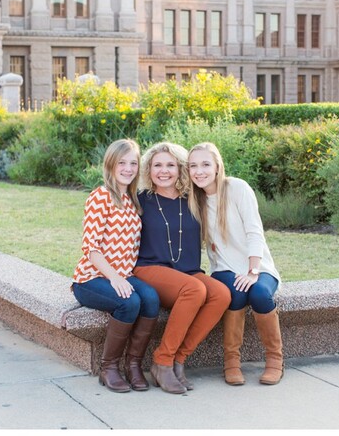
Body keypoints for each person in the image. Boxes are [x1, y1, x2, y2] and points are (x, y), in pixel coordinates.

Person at [133, 142, 230, 394]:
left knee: (221, 294)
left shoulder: (193, 200)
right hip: (149, 267)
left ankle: (178, 359)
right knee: (194, 290)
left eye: (170, 165)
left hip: (188, 270)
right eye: (157, 165)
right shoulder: (140, 200)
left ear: (180, 169)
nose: (164, 171)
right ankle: (162, 361)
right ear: (148, 169)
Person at [187, 142, 284, 386]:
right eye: (193, 166)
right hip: (224, 269)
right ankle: (231, 362)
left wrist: (253, 272)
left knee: (260, 294)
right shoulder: (194, 200)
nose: (199, 171)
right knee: (237, 294)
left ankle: (275, 360)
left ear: (217, 166)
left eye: (206, 164)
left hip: (258, 266)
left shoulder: (237, 188)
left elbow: (254, 232)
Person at [71, 139, 160, 393]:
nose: (128, 168)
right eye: (122, 162)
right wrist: (115, 278)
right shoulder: (101, 196)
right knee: (129, 302)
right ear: (110, 164)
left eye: (133, 163)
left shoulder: (132, 199)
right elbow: (91, 248)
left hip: (123, 274)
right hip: (91, 278)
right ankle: (108, 367)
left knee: (151, 299)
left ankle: (133, 365)